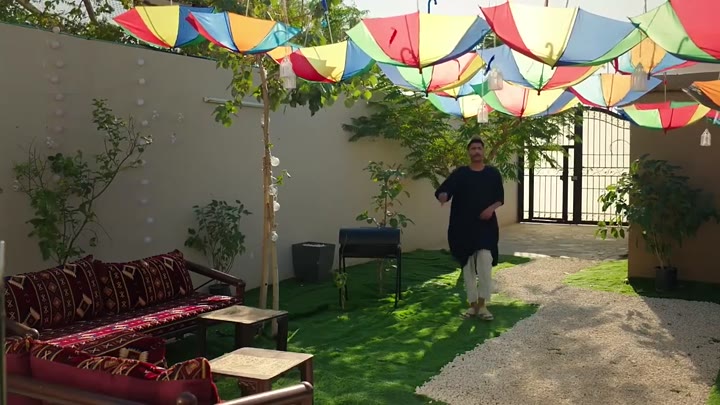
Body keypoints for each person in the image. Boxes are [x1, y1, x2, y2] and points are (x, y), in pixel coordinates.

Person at [435, 137, 504, 320]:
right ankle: (473, 305)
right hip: (462, 227)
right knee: (467, 267)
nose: (476, 151)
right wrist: (443, 196)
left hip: (486, 227)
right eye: (473, 148)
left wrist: (490, 209)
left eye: (479, 148)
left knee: (485, 261)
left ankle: (483, 304)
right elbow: (444, 190)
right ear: (469, 152)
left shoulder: (492, 173)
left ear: (484, 151)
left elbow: (499, 198)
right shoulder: (460, 173)